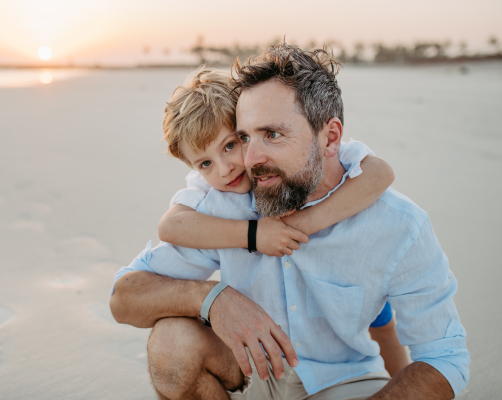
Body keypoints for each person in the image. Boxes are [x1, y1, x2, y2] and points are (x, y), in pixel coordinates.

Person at [110, 44, 469, 400]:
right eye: (245, 137)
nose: (247, 160)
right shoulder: (225, 203)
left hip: (342, 382)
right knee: (172, 341)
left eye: (273, 135)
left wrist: (310, 221)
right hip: (254, 373)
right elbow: (125, 297)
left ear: (330, 138)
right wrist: (212, 298)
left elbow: (445, 359)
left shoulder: (396, 224)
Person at [156, 67, 408, 376]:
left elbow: (380, 172)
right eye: (205, 163)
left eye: (231, 145)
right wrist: (254, 235)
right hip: (284, 302)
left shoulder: (295, 153)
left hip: (343, 261)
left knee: (381, 324)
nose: (224, 170)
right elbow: (171, 226)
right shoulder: (210, 191)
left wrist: (305, 222)